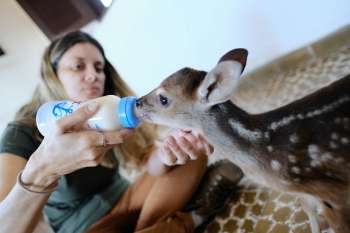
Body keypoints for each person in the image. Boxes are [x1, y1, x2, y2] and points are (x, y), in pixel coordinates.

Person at [0, 31, 242, 233]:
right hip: (85, 228)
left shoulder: (110, 113)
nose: (94, 75)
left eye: (99, 67)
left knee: (192, 152)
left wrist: (167, 154)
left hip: (129, 200)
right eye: (77, 66)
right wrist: (44, 169)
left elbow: (150, 166)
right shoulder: (23, 132)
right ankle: (189, 220)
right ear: (52, 75)